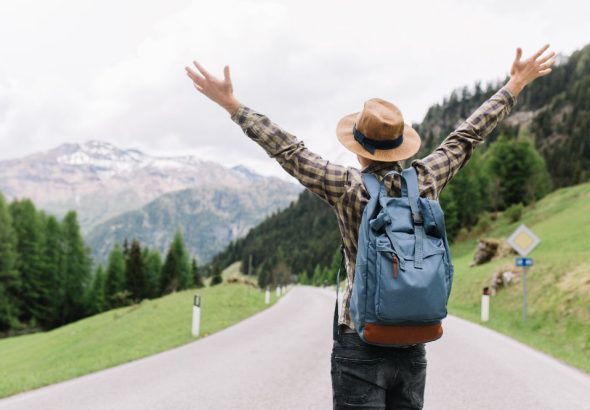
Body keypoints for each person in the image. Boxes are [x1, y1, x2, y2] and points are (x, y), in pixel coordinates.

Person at [185, 44, 555, 409]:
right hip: (413, 341)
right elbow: (466, 137)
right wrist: (515, 84)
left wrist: (233, 106)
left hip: (359, 338)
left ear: (358, 148)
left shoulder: (346, 187)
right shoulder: (427, 180)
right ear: (401, 146)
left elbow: (289, 151)